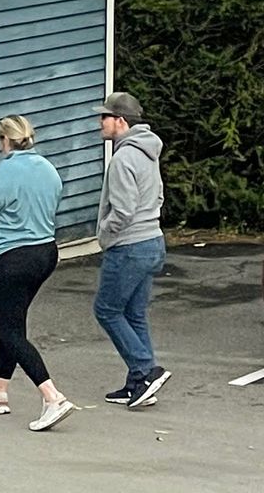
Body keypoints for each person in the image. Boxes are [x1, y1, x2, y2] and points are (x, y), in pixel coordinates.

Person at [0, 114, 75, 431]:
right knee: (12, 322)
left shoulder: (6, 171)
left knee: (9, 330)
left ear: (5, 140)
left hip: (9, 257)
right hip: (45, 252)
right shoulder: (48, 169)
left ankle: (51, 396)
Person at [93, 90, 169, 409]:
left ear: (120, 121)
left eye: (105, 117)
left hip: (129, 246)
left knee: (107, 310)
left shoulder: (123, 158)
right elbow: (160, 197)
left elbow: (122, 211)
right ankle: (139, 384)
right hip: (153, 241)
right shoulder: (148, 152)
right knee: (134, 313)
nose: (100, 122)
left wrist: (105, 235)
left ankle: (145, 370)